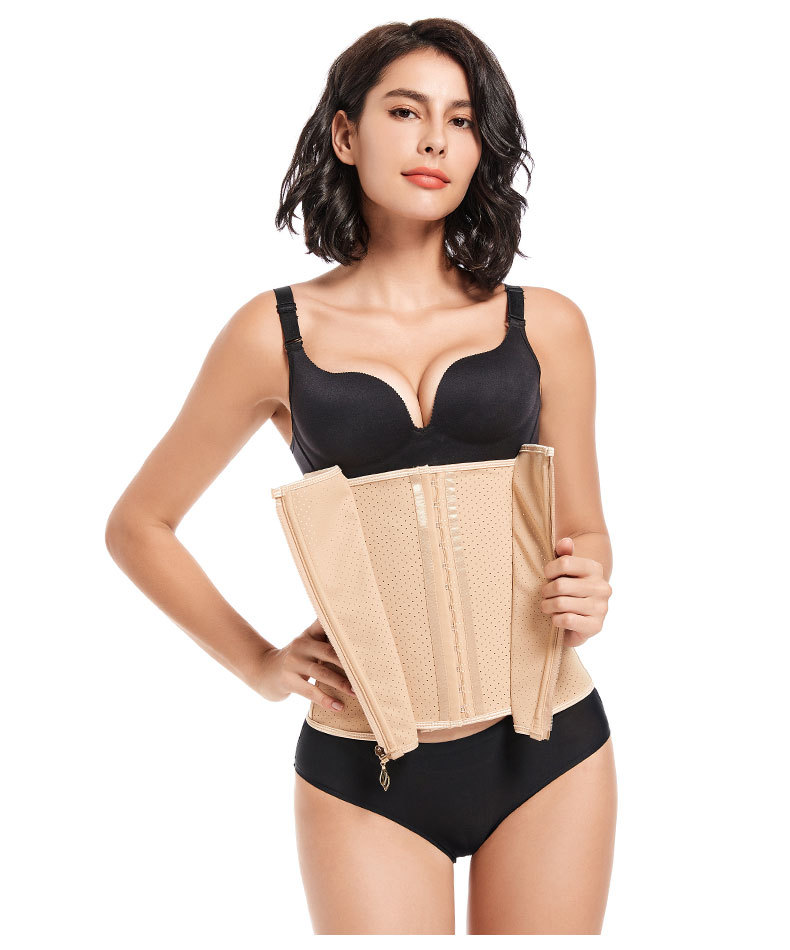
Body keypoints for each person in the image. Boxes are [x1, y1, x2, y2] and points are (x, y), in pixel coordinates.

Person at [106, 18, 617, 936]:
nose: (435, 141)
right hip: (363, 768)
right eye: (406, 112)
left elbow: (583, 528)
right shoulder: (273, 334)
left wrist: (592, 584)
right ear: (346, 134)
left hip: (551, 748)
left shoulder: (547, 325)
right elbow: (138, 525)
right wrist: (261, 665)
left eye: (462, 120)